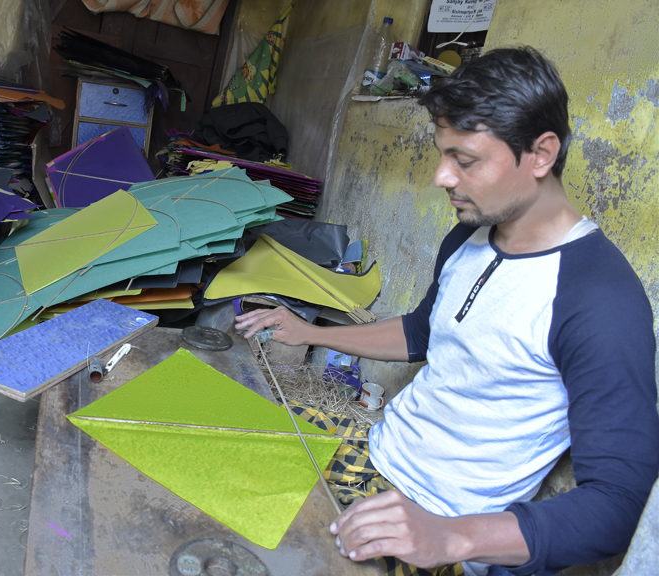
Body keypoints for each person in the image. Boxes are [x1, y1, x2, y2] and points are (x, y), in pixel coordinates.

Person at [235, 47, 659, 576]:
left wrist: (451, 538)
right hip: (373, 452)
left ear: (542, 154)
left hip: (439, 525)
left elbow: (619, 506)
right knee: (212, 436)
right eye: (441, 154)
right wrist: (310, 335)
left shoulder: (599, 299)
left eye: (465, 160)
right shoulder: (468, 236)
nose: (441, 177)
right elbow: (423, 332)